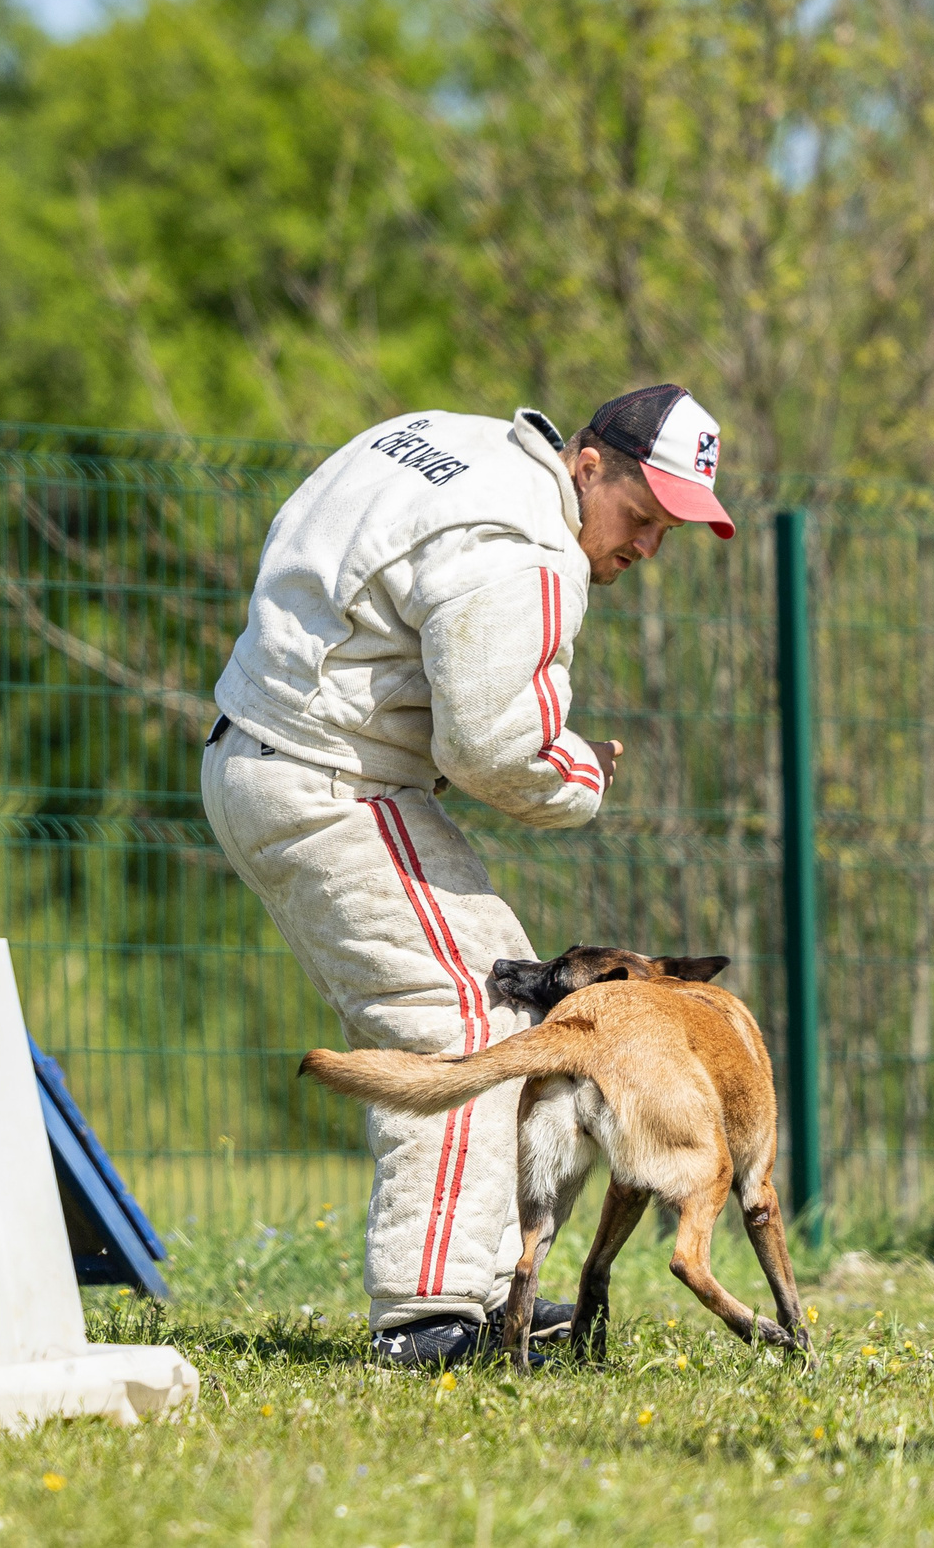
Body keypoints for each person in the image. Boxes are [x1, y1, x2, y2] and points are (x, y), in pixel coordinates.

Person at [204, 384, 733, 1366]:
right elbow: (499, 748)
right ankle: (428, 1316)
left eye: (670, 530)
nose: (646, 547)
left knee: (523, 1003)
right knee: (468, 1020)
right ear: (588, 466)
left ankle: (498, 1296)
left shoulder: (438, 442)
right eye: (641, 516)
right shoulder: (528, 549)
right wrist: (579, 770)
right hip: (329, 786)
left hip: (279, 751)